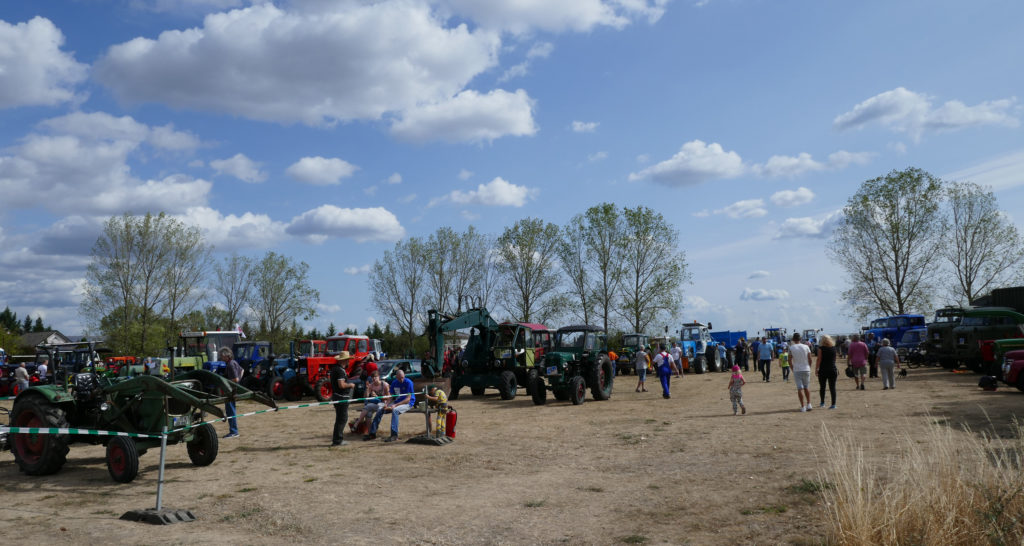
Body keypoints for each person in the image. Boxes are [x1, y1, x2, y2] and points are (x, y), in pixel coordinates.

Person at [367, 368, 416, 442]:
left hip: (408, 403)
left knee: (395, 411)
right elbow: (391, 396)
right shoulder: (394, 383)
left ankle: (394, 435)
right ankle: (372, 433)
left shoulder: (409, 382)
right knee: (380, 409)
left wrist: (395, 405)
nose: (401, 380)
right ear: (396, 377)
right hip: (397, 402)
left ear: (404, 376)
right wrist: (386, 404)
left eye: (402, 378)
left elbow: (408, 399)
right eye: (399, 378)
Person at [330, 351, 357, 446]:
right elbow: (341, 385)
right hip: (341, 397)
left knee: (340, 418)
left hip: (337, 396)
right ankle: (338, 440)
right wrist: (351, 385)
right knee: (342, 419)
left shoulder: (335, 369)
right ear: (345, 361)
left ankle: (337, 439)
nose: (349, 361)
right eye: (348, 360)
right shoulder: (340, 371)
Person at [352, 368, 389, 433]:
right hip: (375, 404)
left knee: (371, 409)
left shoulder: (385, 385)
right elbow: (366, 397)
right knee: (368, 412)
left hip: (383, 404)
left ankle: (358, 423)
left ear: (379, 377)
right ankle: (369, 431)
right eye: (372, 377)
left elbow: (389, 397)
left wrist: (378, 397)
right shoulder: (371, 385)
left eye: (375, 377)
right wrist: (367, 388)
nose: (374, 379)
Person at [788, 332, 813, 412]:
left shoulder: (791, 348)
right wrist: (809, 366)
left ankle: (803, 406)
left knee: (800, 388)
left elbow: (789, 360)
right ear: (800, 339)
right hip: (806, 368)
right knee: (806, 387)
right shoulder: (806, 346)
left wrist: (792, 368)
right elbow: (810, 358)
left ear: (793, 339)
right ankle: (809, 404)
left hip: (797, 369)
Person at [221, 347, 243, 438]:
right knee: (231, 410)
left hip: (231, 391)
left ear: (226, 356)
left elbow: (235, 379)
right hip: (234, 390)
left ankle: (233, 432)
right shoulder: (234, 362)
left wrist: (226, 382)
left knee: (230, 411)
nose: (221, 357)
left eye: (222, 356)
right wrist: (238, 383)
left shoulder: (230, 365)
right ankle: (234, 431)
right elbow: (242, 371)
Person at [815, 334, 839, 409]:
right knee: (832, 387)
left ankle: (822, 403)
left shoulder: (820, 348)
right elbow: (835, 359)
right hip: (832, 369)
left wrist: (816, 369)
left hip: (823, 369)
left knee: (822, 387)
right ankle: (833, 404)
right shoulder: (834, 348)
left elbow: (819, 359)